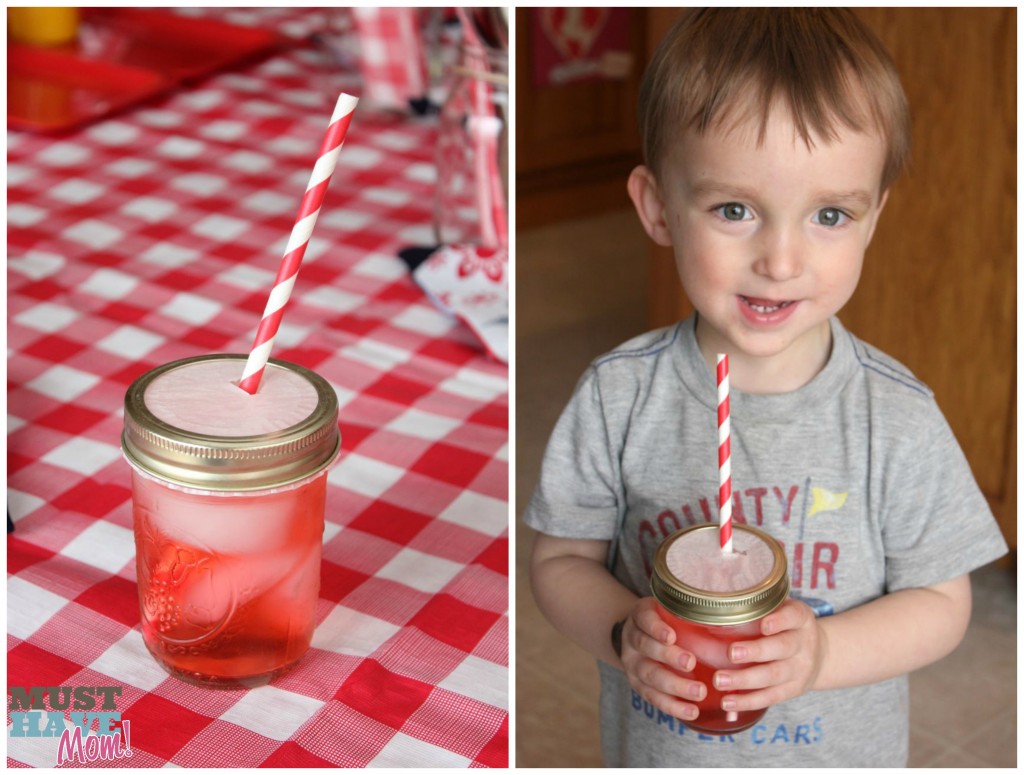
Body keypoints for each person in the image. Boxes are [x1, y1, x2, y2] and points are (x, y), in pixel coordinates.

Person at [523, 8, 1008, 768]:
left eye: (828, 215)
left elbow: (943, 606)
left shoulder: (897, 415)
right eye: (735, 209)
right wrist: (624, 632)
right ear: (656, 208)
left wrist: (820, 655)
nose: (780, 260)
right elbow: (559, 564)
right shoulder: (618, 397)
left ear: (873, 219)